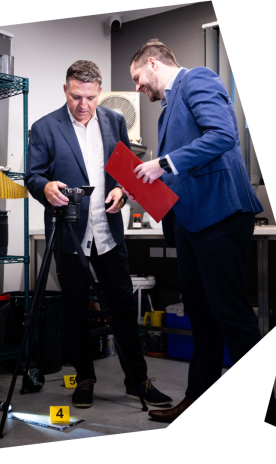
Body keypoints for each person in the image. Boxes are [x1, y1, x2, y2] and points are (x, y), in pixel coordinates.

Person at [125, 39, 276, 424]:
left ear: (152, 62)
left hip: (221, 215)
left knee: (231, 313)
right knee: (201, 315)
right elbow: (182, 171)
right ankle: (199, 400)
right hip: (193, 223)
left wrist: (164, 163)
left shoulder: (198, 80)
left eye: (138, 78)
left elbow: (224, 136)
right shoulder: (166, 112)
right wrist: (143, 185)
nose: (138, 87)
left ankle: (265, 414)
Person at [26, 60, 172, 409]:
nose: (83, 105)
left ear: (100, 92)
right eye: (77, 96)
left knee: (123, 308)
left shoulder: (115, 120)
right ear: (66, 90)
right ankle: (85, 379)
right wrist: (45, 187)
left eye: (90, 97)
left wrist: (122, 190)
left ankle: (137, 381)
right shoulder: (44, 128)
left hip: (108, 234)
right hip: (69, 236)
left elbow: (127, 171)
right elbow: (32, 176)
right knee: (76, 310)